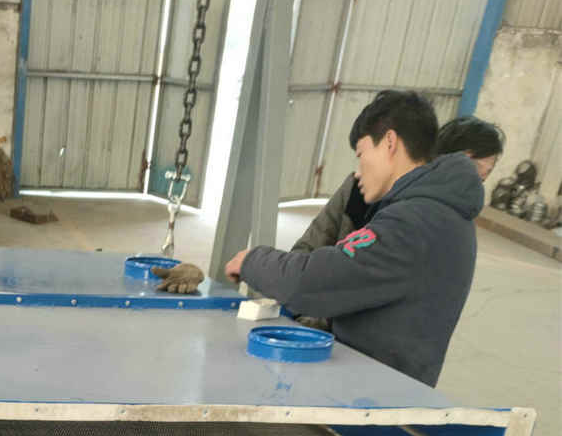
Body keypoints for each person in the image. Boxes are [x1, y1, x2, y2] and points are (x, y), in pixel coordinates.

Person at [158, 90, 482, 387]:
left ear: (389, 142)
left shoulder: (414, 221)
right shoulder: (441, 213)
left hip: (373, 395)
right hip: (383, 382)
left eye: (361, 153)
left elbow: (315, 280)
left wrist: (251, 261)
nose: (358, 171)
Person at [289, 113, 504, 257]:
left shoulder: (449, 225)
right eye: (471, 169)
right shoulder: (359, 189)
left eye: (482, 179)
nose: (472, 184)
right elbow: (307, 249)